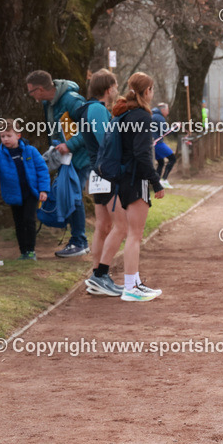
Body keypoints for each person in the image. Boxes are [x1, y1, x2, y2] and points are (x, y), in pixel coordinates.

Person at [95, 72, 165, 302]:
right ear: (146, 92)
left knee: (130, 233)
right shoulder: (143, 117)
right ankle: (131, 286)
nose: (153, 94)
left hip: (123, 179)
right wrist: (156, 181)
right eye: (152, 90)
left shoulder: (123, 114)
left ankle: (132, 283)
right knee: (135, 234)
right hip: (136, 179)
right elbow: (142, 154)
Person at [25, 69, 92, 258]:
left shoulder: (72, 99)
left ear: (39, 89)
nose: (31, 96)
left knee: (74, 196)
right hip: (64, 157)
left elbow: (90, 127)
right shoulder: (49, 103)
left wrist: (69, 145)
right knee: (66, 195)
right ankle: (77, 240)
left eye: (31, 92)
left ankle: (80, 241)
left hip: (79, 158)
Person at [0, 119, 50, 260]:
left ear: (18, 135)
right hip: (14, 195)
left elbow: (42, 170)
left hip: (30, 193)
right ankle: (23, 251)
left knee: (29, 220)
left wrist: (44, 190)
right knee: (18, 223)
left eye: (8, 135)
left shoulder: (31, 151)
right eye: (2, 136)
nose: (5, 139)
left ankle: (31, 250)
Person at [82, 69, 125, 296]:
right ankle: (100, 275)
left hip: (96, 172)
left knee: (103, 226)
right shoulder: (97, 109)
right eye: (115, 85)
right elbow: (105, 142)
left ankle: (97, 275)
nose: (117, 89)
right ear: (108, 88)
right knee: (120, 226)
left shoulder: (89, 108)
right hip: (105, 172)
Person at [151, 102, 176, 189]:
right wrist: (174, 128)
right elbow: (165, 132)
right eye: (167, 110)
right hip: (157, 143)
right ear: (163, 110)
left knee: (161, 162)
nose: (168, 112)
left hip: (153, 143)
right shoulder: (159, 117)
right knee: (172, 159)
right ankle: (164, 179)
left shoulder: (153, 115)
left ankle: (157, 182)